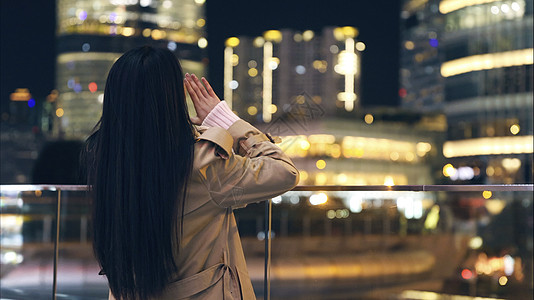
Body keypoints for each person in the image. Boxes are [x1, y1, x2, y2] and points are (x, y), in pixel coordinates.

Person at [85, 45, 299, 300]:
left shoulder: (104, 157)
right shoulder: (203, 162)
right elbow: (284, 171)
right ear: (173, 98)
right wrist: (226, 121)